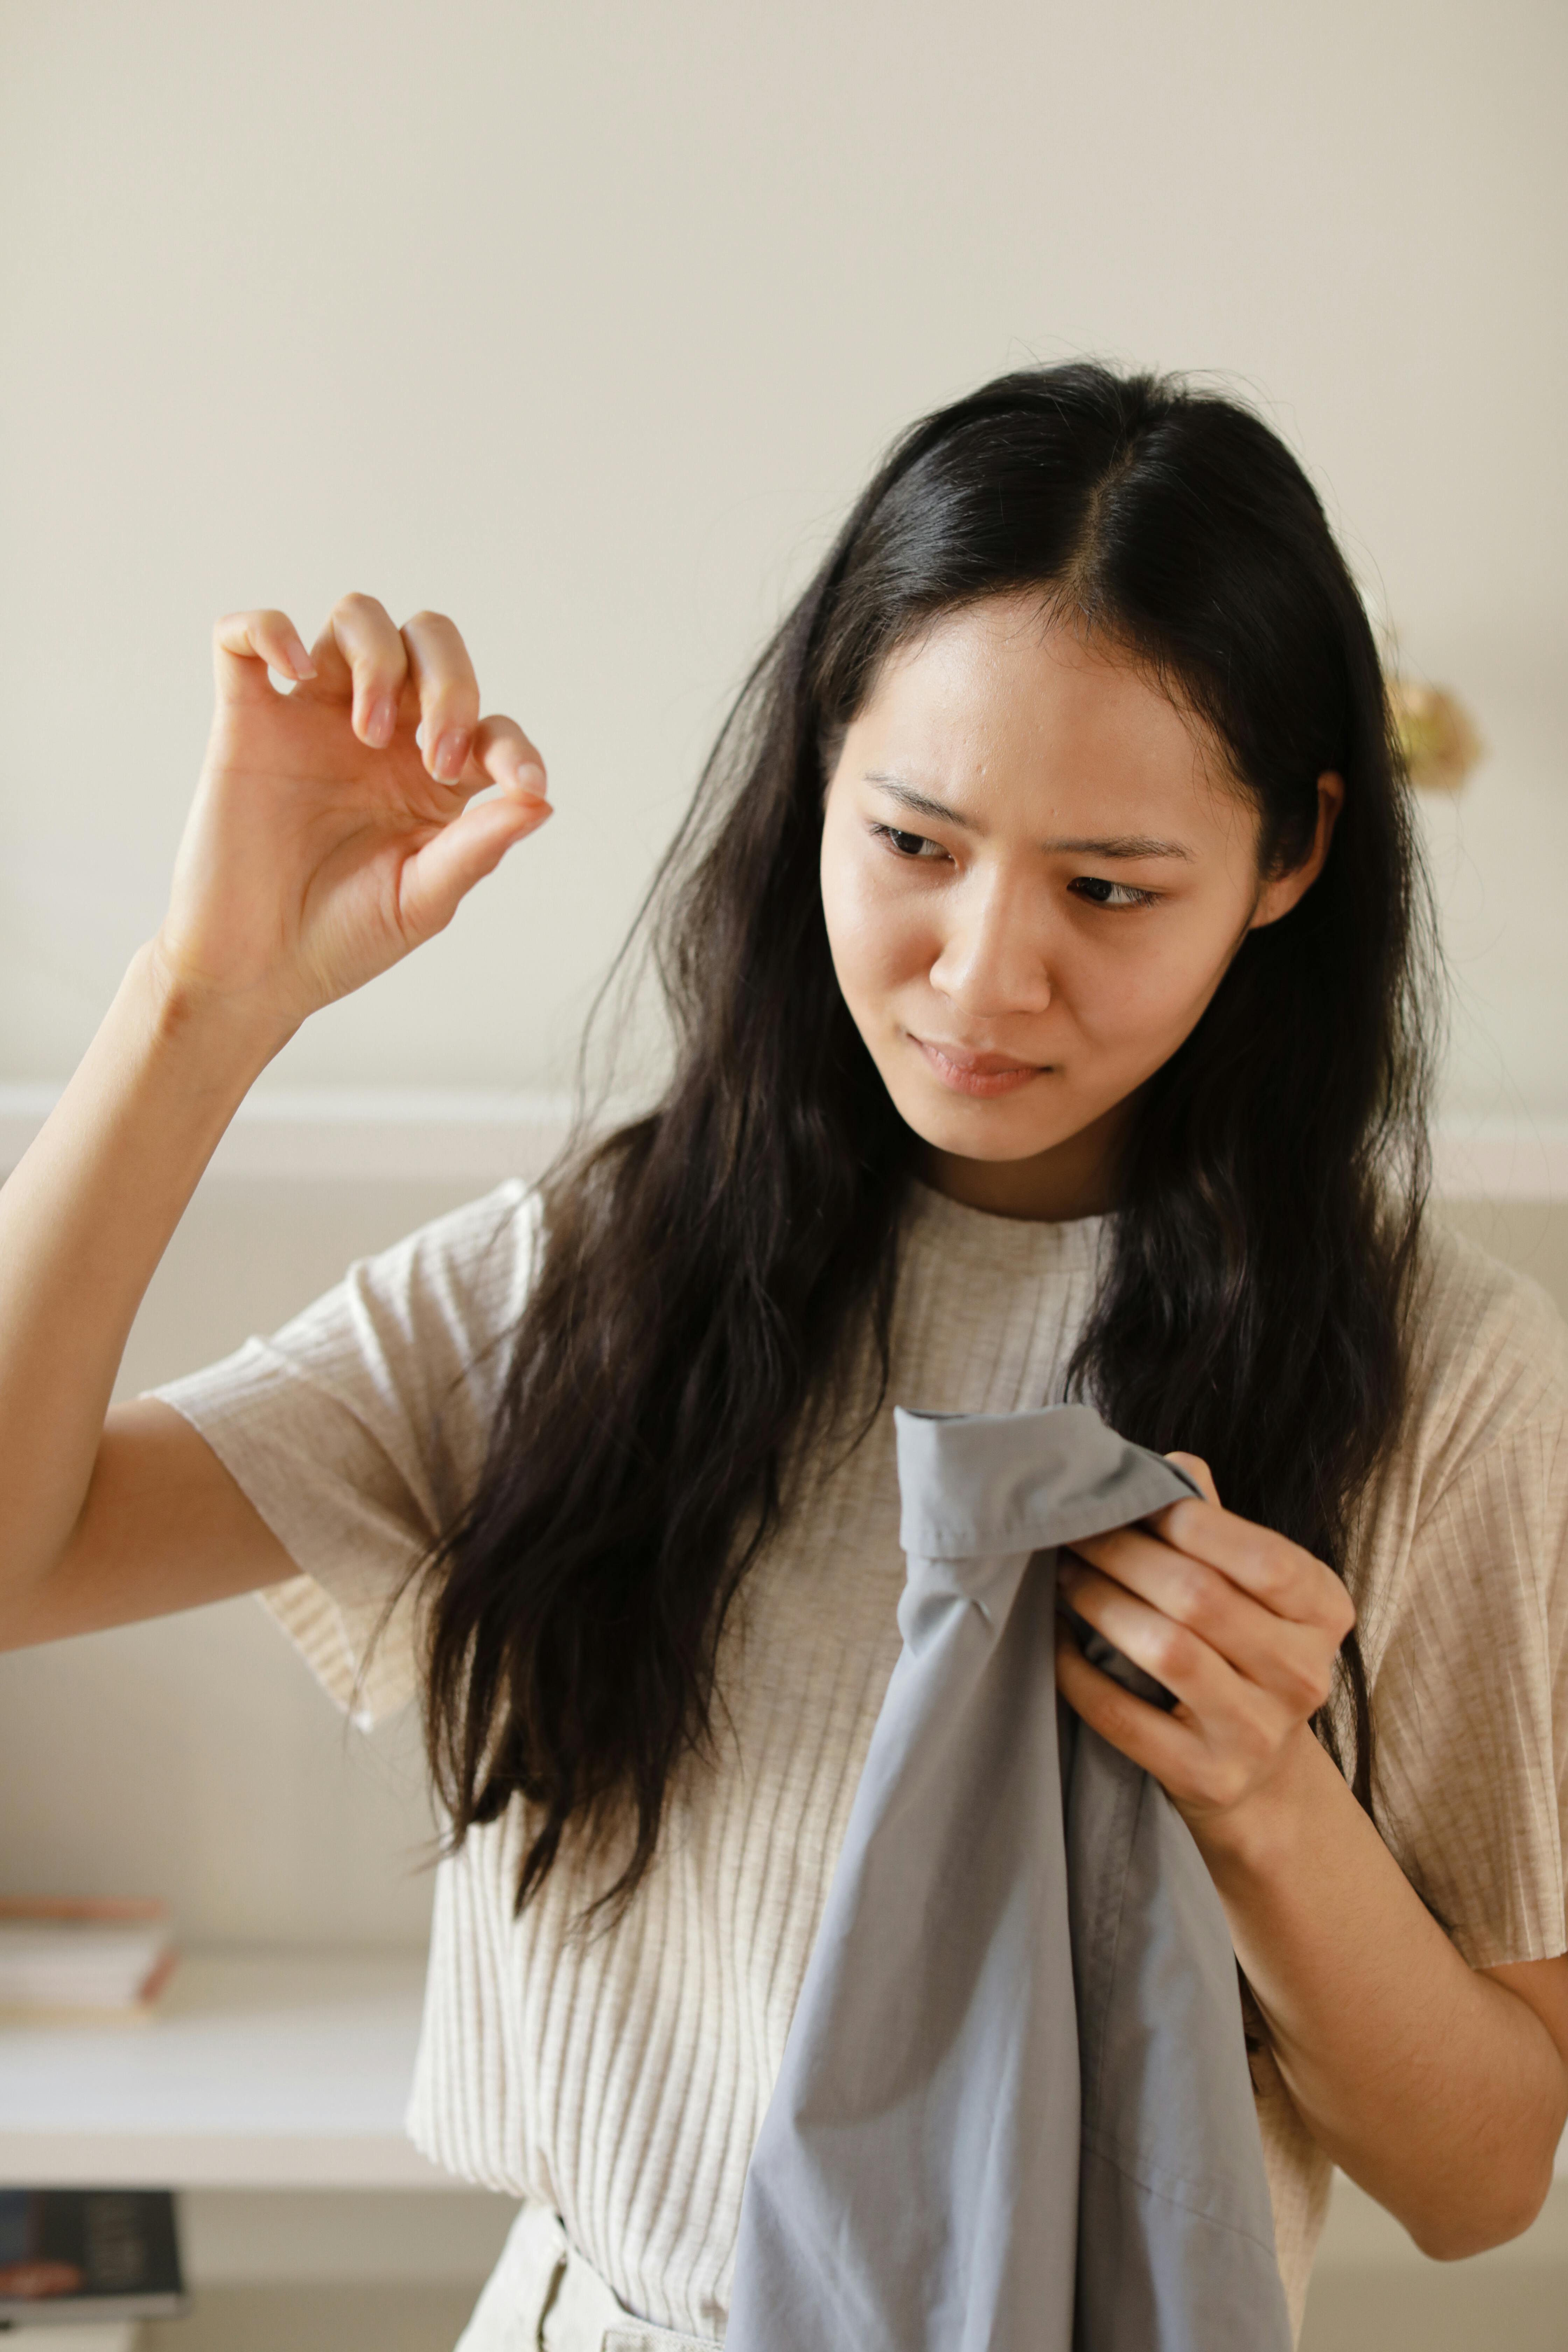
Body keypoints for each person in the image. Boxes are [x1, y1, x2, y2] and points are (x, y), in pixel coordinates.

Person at [1, 363, 1564, 2348]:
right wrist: (202, 1003)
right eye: (916, 842)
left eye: (1108, 889)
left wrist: (1269, 1801)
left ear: (1290, 857)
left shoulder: (1445, 1382)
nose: (988, 971)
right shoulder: (588, 1284)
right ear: (818, 772)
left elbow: (1480, 2181)